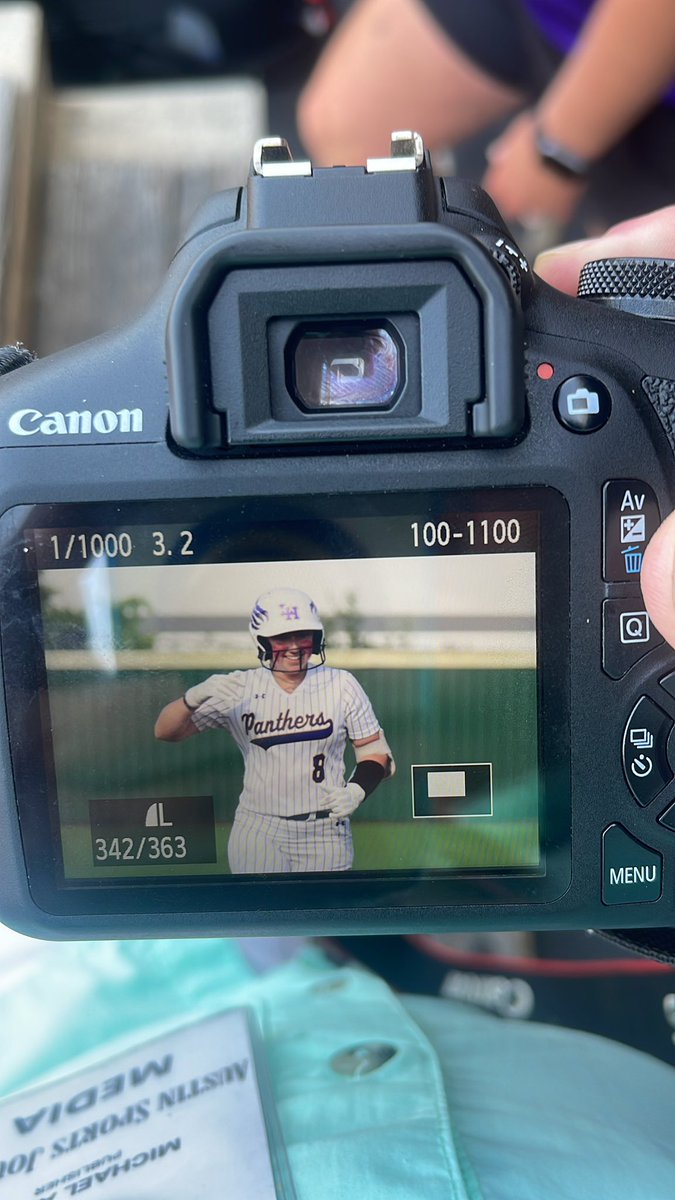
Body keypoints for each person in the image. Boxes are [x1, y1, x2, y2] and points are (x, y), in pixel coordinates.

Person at [297, 0, 675, 231]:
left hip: (645, 47)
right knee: (344, 123)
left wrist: (558, 151)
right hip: (535, 8)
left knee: (611, 278)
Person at [154, 586, 394, 874]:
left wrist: (356, 791)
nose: (294, 646)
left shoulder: (341, 684)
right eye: (282, 637)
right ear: (263, 641)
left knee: (323, 917)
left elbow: (376, 754)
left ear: (316, 637)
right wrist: (191, 698)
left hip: (326, 829)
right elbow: (166, 731)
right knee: (262, 916)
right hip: (260, 828)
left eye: (302, 634)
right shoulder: (239, 688)